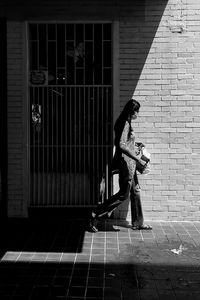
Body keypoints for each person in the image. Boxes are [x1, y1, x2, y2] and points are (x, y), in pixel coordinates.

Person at [87, 99, 152, 232]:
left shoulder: (125, 122)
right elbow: (121, 145)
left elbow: (126, 142)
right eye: (136, 111)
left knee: (135, 192)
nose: (137, 114)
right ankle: (95, 214)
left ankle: (138, 223)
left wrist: (136, 146)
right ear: (132, 111)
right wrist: (137, 158)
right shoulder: (124, 123)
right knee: (123, 194)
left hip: (130, 163)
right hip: (126, 164)